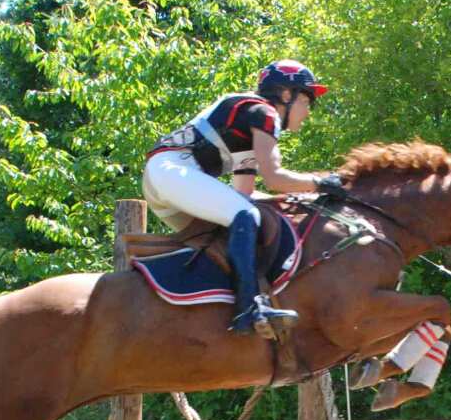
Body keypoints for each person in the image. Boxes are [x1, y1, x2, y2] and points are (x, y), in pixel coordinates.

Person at [143, 60, 347, 338]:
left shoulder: (247, 122)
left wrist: (301, 198)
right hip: (173, 171)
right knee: (246, 216)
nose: (309, 110)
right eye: (307, 99)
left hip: (167, 178)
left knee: (239, 224)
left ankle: (209, 308)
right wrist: (321, 183)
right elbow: (274, 178)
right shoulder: (265, 113)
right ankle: (248, 309)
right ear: (286, 95)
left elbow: (245, 192)